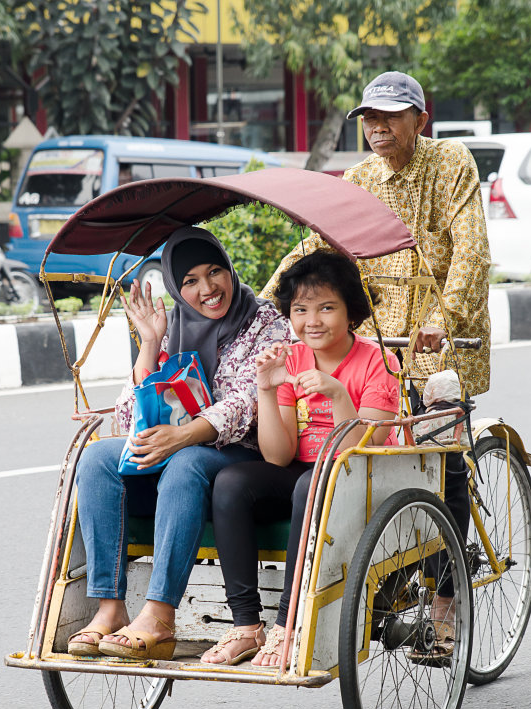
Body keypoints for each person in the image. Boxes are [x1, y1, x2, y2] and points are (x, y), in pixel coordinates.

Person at [262, 71, 491, 660]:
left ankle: (444, 598)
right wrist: (264, 301)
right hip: (372, 337)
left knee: (443, 458)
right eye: (369, 118)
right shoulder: (358, 177)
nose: (377, 127)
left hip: (438, 338)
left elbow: (470, 252)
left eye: (391, 116)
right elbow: (312, 248)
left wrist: (448, 314)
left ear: (422, 118)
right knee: (368, 456)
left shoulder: (452, 163)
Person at [68, 226, 291, 659]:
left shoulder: (266, 322)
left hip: (239, 456)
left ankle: (159, 614)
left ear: (230, 268)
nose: (207, 289)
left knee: (187, 460)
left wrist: (183, 436)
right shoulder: (175, 329)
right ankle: (110, 607)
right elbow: (130, 418)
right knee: (97, 457)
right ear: (175, 287)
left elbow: (246, 403)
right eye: (189, 281)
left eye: (214, 272)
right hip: (174, 447)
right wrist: (150, 345)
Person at [201, 250, 400, 667]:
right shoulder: (289, 359)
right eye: (301, 309)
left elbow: (359, 449)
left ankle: (287, 627)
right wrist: (267, 389)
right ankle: (245, 625)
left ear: (351, 312)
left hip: (362, 473)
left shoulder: (379, 361)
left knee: (314, 483)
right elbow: (278, 456)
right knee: (233, 481)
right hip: (303, 469)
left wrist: (338, 394)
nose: (313, 320)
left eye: (327, 308)